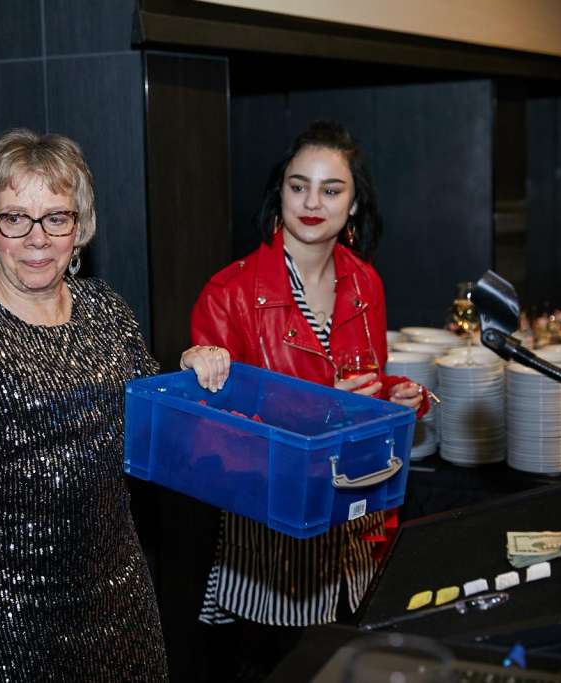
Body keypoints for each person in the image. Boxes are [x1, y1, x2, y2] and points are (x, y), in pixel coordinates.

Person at [0, 128, 228, 680]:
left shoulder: (105, 308)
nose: (37, 238)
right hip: (2, 601)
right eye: (15, 218)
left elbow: (153, 424)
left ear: (79, 229)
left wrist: (191, 374)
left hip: (113, 584)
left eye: (56, 218)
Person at [190, 121, 428, 677]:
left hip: (352, 532)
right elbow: (214, 441)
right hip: (272, 545)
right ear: (280, 193)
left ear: (354, 203)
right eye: (299, 186)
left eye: (331, 189)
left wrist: (393, 399)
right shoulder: (230, 293)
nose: (312, 203)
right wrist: (324, 407)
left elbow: (363, 385)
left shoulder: (365, 283)